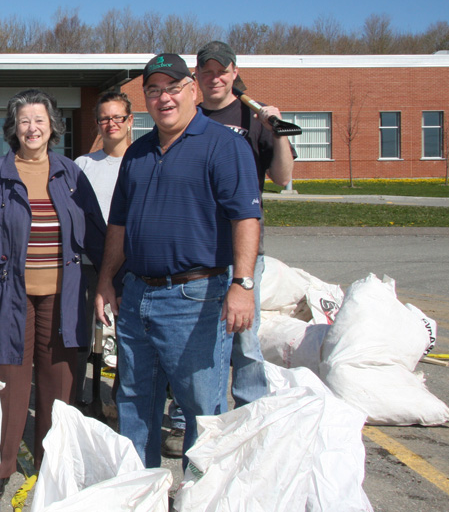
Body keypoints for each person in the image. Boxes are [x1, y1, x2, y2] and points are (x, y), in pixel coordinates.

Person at [95, 54, 261, 469]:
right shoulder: (138, 152)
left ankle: (201, 492)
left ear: (192, 90)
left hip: (195, 297)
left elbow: (246, 218)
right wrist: (106, 280)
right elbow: (118, 224)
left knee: (201, 407)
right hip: (136, 295)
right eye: (153, 91)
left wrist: (242, 284)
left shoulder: (224, 145)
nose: (163, 98)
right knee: (134, 400)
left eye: (172, 88)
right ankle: (140, 488)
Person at [0, 89, 106, 486]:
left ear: (53, 126)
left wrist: (112, 283)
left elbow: (97, 234)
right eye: (24, 121)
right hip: (7, 297)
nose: (32, 128)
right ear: (13, 128)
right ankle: (0, 471)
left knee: (59, 385)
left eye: (39, 120)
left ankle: (51, 467)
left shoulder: (71, 174)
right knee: (9, 386)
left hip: (62, 297)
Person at [161, 41, 297, 457]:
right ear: (196, 79)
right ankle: (185, 418)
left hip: (241, 251)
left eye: (221, 71)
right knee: (192, 339)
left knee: (245, 339)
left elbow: (282, 177)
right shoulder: (189, 117)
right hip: (196, 252)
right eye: (206, 71)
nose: (214, 78)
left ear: (234, 73)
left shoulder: (253, 118)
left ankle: (252, 415)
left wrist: (277, 131)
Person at [72, 90, 133, 410]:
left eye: (117, 117)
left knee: (128, 338)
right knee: (79, 335)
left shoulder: (142, 160)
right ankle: (74, 400)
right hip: (87, 263)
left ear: (130, 121)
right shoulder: (83, 164)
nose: (111, 124)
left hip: (128, 264)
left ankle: (122, 403)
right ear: (97, 124)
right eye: (104, 119)